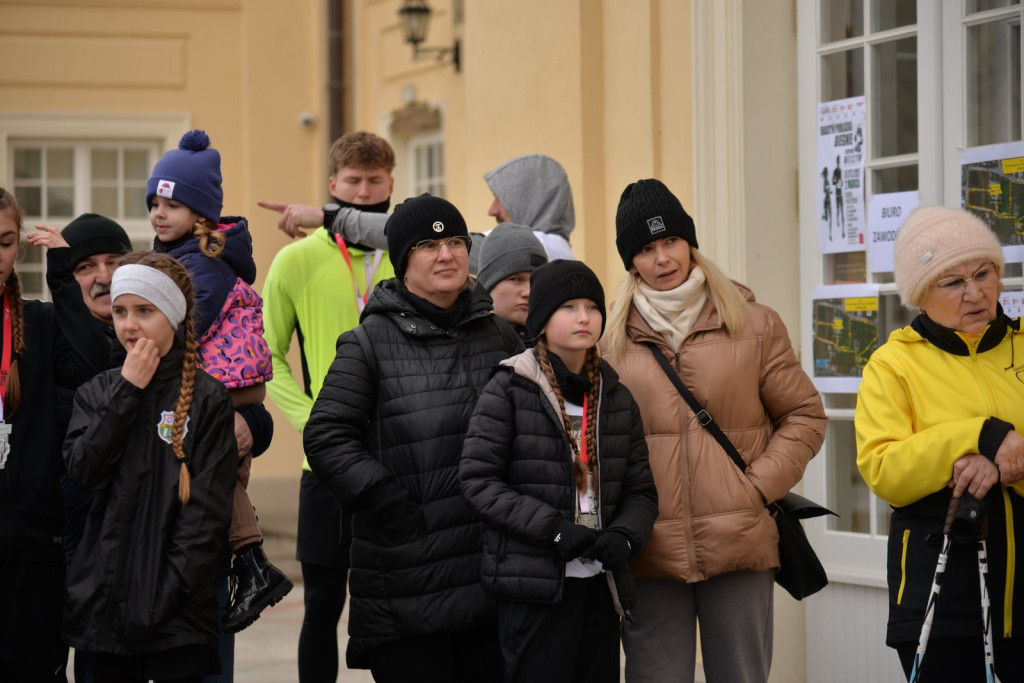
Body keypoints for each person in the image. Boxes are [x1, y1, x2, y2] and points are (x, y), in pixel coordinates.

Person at [600, 179, 826, 683]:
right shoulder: (608, 341)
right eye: (646, 249)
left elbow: (805, 415)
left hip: (739, 540)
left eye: (671, 242)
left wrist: (755, 488)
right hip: (648, 548)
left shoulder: (754, 323)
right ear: (630, 262)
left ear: (689, 243)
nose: (663, 258)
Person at [304, 194, 523, 682]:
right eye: (428, 244)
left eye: (455, 242)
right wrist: (385, 498)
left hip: (488, 578)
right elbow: (327, 435)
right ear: (403, 260)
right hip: (405, 580)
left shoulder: (501, 336)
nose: (445, 254)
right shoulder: (368, 344)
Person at [460, 259, 658, 682]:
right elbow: (479, 481)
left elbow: (641, 490)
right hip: (535, 588)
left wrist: (624, 536)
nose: (584, 317)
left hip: (599, 585)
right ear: (542, 320)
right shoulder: (511, 387)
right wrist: (554, 530)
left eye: (591, 306)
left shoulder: (616, 396)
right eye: (568, 306)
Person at [855, 206, 1024, 682]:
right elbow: (885, 468)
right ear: (920, 296)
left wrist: (1005, 464)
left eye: (983, 273)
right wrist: (980, 436)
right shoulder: (893, 365)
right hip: (941, 595)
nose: (975, 292)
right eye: (952, 283)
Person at [258, 130, 396, 683]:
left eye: (375, 181)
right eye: (353, 182)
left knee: (396, 605)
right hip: (326, 466)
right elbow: (266, 356)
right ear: (332, 185)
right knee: (320, 606)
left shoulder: (412, 255)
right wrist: (313, 421)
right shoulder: (294, 261)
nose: (364, 193)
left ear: (391, 184)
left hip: (400, 457)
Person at [63, 251, 238, 682]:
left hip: (176, 621)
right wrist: (128, 390)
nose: (130, 324)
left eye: (145, 310)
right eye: (120, 311)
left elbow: (205, 518)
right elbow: (84, 470)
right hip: (102, 613)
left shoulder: (208, 398)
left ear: (174, 316)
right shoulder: (96, 392)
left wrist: (158, 602)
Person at [146, 129, 289, 633]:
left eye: (173, 203)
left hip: (223, 384)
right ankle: (250, 570)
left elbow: (184, 327)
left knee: (215, 476)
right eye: (155, 203)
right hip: (223, 384)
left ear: (201, 214)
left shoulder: (202, 265)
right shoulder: (186, 256)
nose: (159, 214)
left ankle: (250, 570)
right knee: (224, 480)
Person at [0, 188, 109, 681]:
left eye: (4, 242)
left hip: (33, 549)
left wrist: (65, 280)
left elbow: (91, 368)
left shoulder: (39, 322)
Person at [267, 152, 577, 273]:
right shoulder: (548, 246)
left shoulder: (537, 249)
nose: (491, 209)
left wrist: (332, 217)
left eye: (501, 199)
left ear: (530, 200)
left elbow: (420, 230)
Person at [474, 222, 548, 344]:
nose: (528, 292)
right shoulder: (462, 346)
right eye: (515, 279)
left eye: (535, 281)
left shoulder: (557, 346)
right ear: (487, 285)